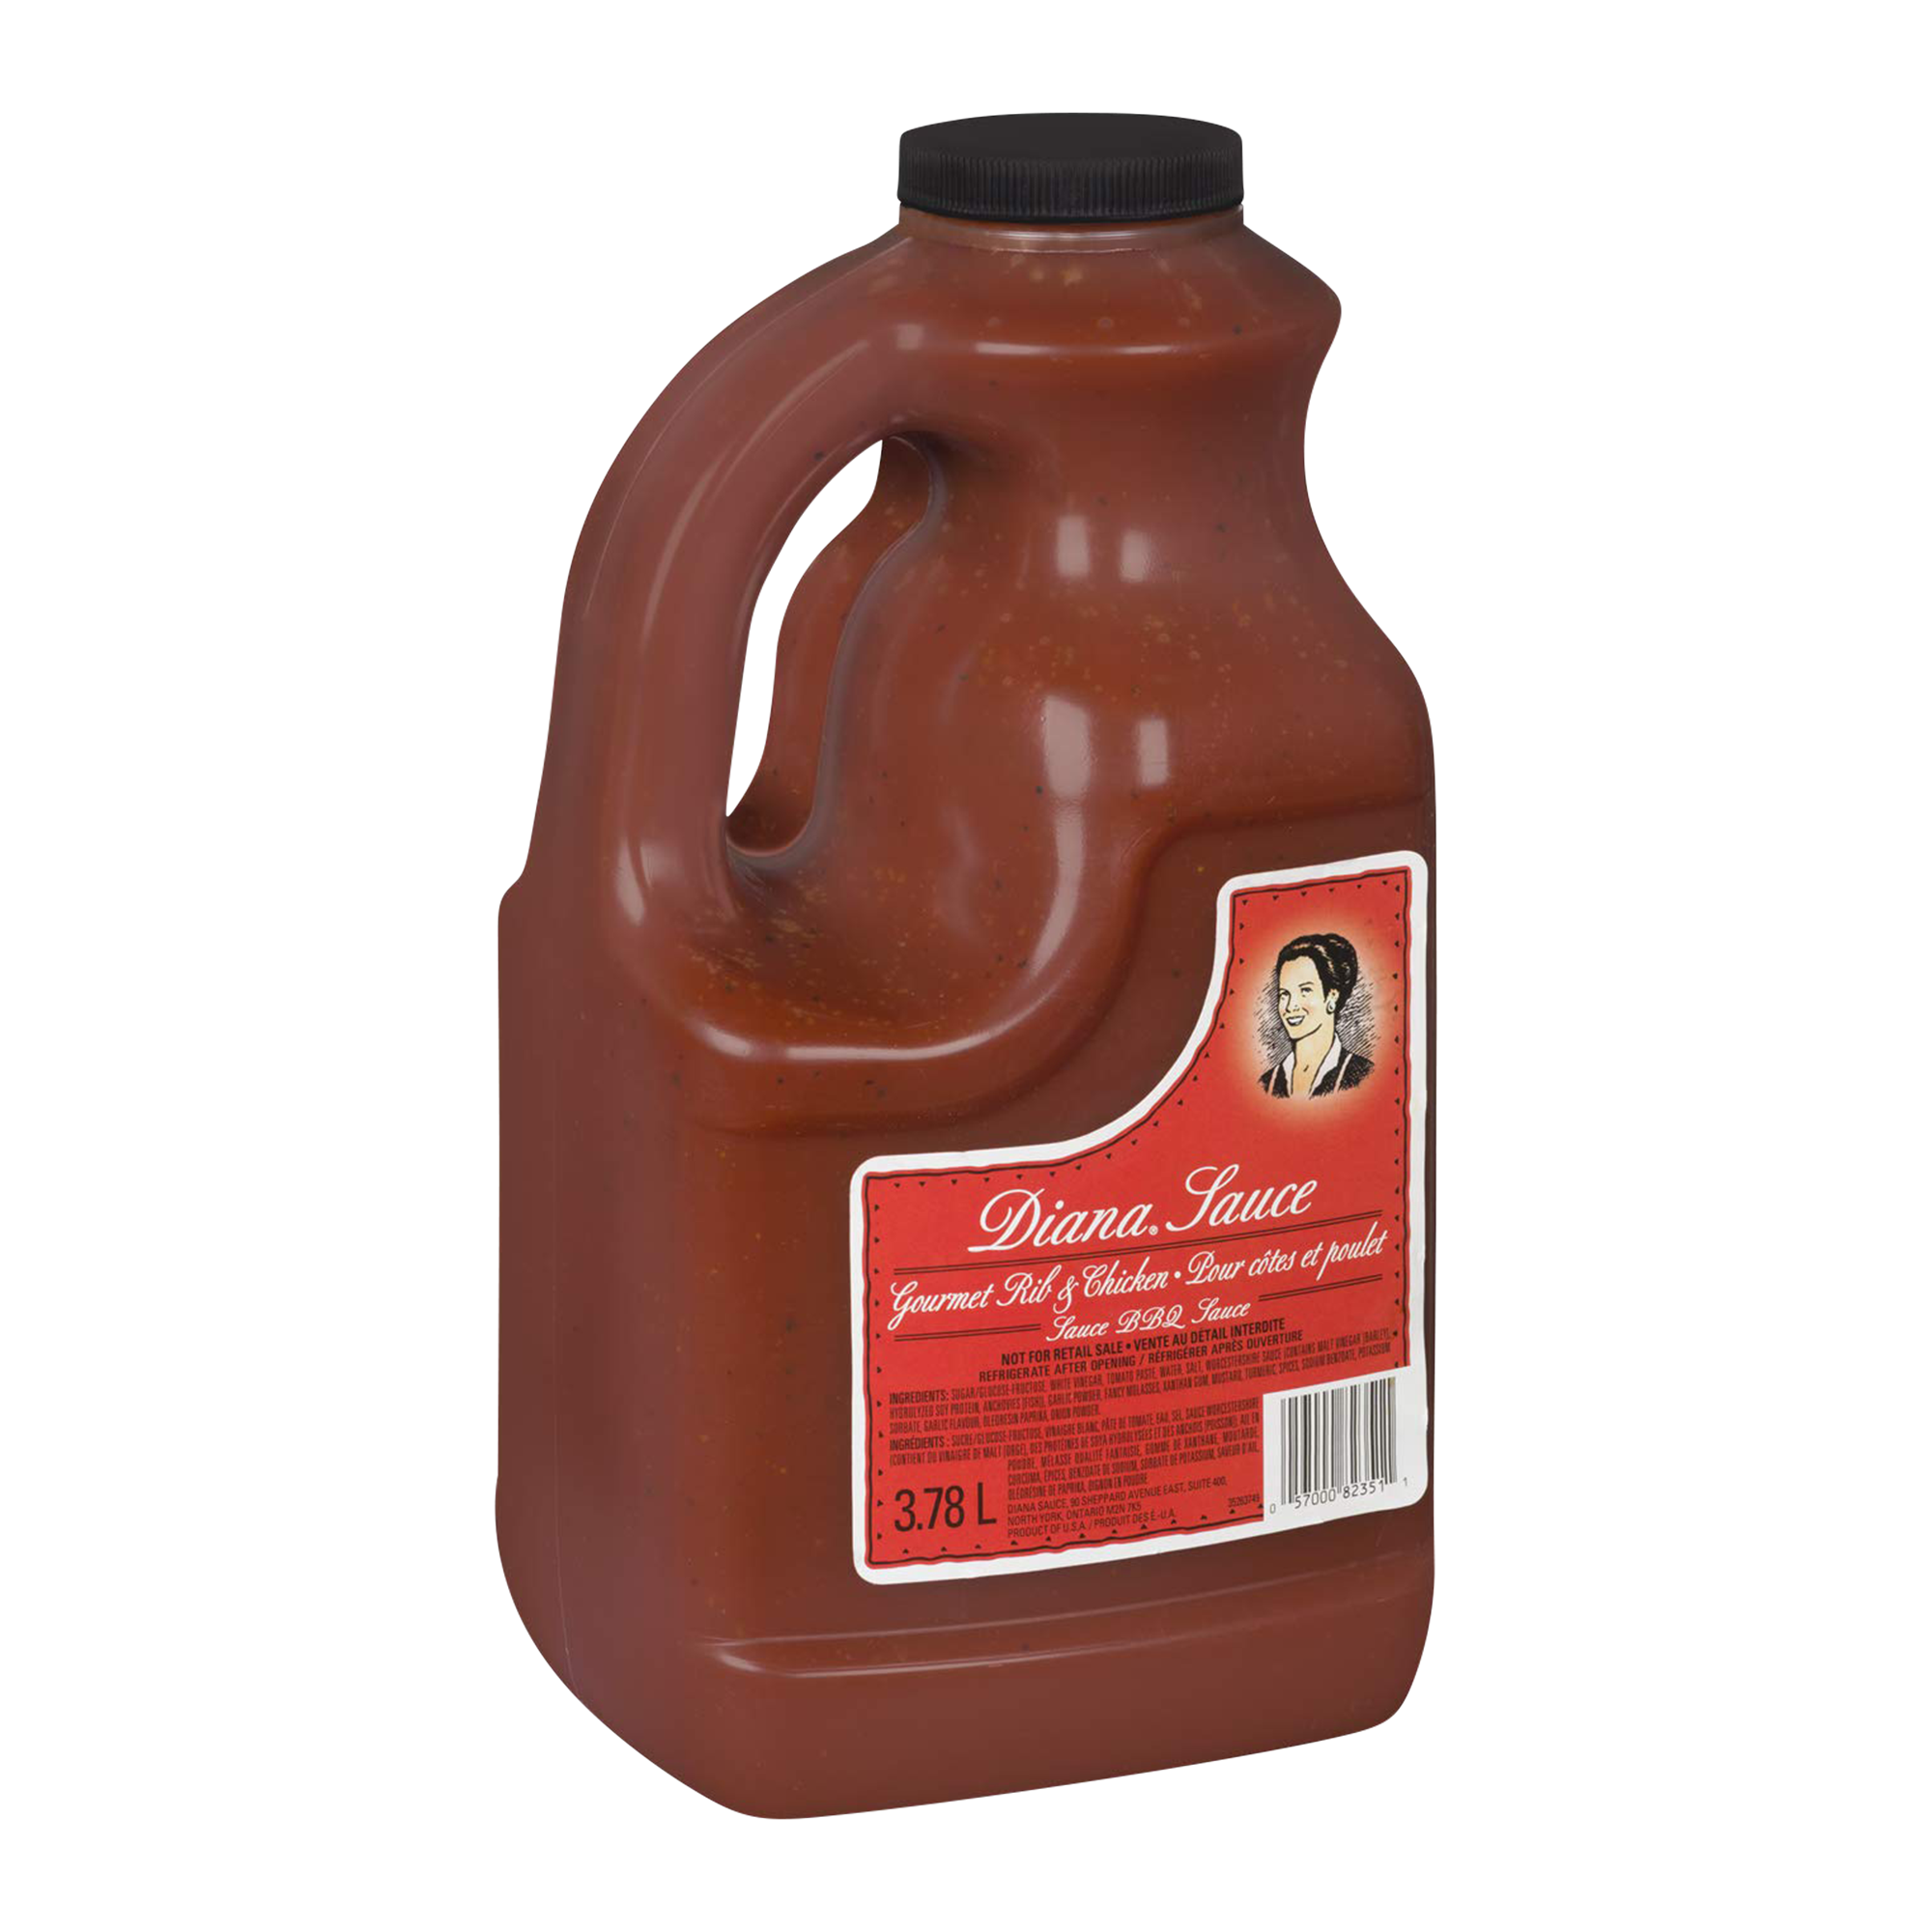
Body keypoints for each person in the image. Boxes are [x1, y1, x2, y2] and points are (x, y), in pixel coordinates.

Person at [1260, 932, 1372, 1099]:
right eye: (1284, 994)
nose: (1290, 1006)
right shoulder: (1268, 1083)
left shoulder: (1362, 1075)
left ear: (1332, 996)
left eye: (1305, 990)